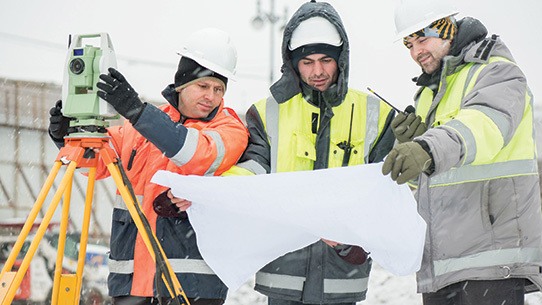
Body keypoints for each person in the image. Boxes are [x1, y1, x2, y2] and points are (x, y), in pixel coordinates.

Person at [48, 28, 249, 305]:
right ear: (181, 83)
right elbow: (96, 163)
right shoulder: (141, 126)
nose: (211, 97)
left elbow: (197, 154)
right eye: (204, 86)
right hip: (132, 283)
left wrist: (138, 112)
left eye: (219, 89)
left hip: (192, 285)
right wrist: (66, 137)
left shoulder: (229, 129)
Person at [234, 1, 396, 304]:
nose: (318, 71)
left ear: (341, 59)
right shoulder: (266, 111)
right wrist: (214, 189)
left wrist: (361, 239)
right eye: (307, 62)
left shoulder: (375, 112)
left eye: (326, 60)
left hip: (344, 268)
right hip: (284, 266)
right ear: (293, 62)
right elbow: (251, 170)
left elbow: (389, 186)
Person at [382, 0, 542, 304]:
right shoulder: (429, 94)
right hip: (443, 267)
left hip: (493, 262)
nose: (416, 52)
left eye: (423, 38)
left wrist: (426, 147)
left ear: (447, 28)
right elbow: (425, 183)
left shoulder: (497, 72)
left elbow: (482, 126)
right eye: (409, 44)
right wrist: (408, 147)